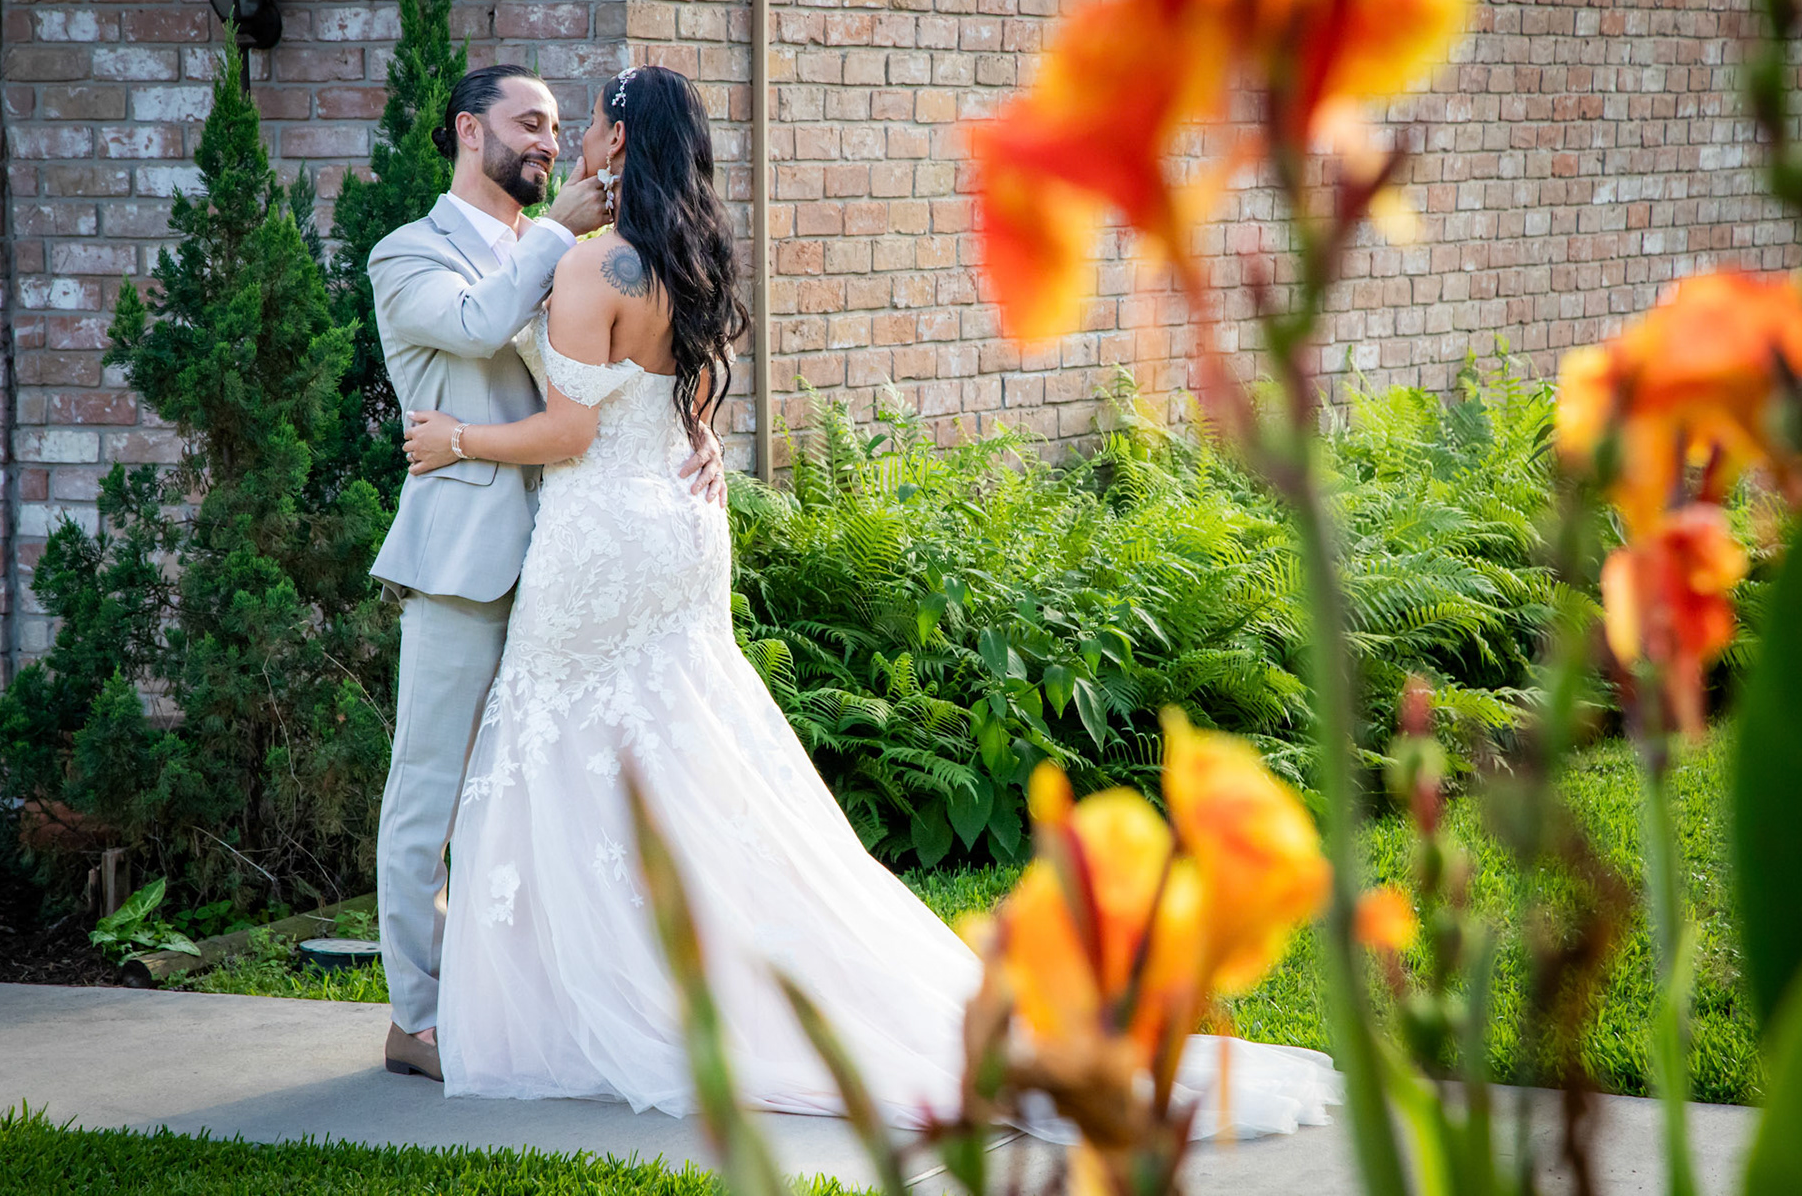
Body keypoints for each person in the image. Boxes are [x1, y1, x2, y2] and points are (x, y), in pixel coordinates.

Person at [401, 65, 1338, 1136]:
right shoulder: (694, 258)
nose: (574, 140)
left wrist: (455, 438)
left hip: (601, 540)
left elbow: (570, 431)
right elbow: (687, 404)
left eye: (590, 126)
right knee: (681, 755)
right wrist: (693, 440)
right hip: (681, 530)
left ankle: (597, 1001)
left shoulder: (590, 264)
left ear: (619, 141)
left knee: (570, 754)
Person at [368, 62, 726, 1084]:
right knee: (431, 793)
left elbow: (627, 375)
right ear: (466, 130)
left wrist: (693, 433)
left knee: (551, 796)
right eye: (528, 122)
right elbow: (477, 326)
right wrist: (558, 238)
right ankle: (419, 1018)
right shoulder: (409, 253)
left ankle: (543, 1000)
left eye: (561, 126)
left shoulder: (573, 250)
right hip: (467, 563)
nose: (548, 140)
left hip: (580, 557)